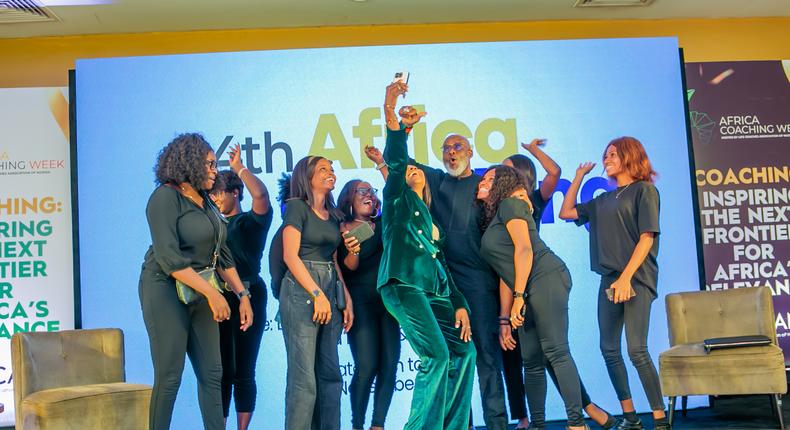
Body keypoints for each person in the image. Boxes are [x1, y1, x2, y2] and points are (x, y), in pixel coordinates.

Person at [402, 105, 507, 430]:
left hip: (479, 286)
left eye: (457, 146)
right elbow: (402, 163)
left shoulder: (484, 186)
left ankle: (498, 425)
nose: (451, 152)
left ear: (471, 151)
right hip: (443, 285)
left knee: (487, 360)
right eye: (446, 148)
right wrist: (404, 129)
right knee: (457, 360)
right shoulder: (436, 180)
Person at [378, 81, 475, 430]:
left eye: (417, 169)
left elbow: (443, 267)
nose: (413, 171)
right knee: (436, 355)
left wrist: (460, 303)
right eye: (407, 171)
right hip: (403, 285)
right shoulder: (397, 203)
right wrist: (393, 113)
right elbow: (397, 157)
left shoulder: (433, 224)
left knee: (465, 352)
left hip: (437, 292)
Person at [139, 132, 253, 430]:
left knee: (213, 372)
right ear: (190, 163)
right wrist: (213, 295)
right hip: (164, 287)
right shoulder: (164, 197)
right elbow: (169, 258)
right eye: (210, 164)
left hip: (201, 290)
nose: (216, 170)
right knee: (170, 375)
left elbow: (222, 255)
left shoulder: (205, 201)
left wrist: (242, 296)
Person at [500, 143, 615, 430]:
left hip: (535, 276)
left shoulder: (532, 200)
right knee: (535, 358)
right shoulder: (500, 206)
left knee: (553, 354)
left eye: (506, 168)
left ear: (521, 175)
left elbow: (554, 172)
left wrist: (530, 149)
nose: (499, 172)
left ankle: (580, 416)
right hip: (513, 280)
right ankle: (579, 411)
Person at [559, 136, 668, 430]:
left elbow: (647, 237)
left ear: (629, 156)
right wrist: (579, 177)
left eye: (612, 154)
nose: (606, 159)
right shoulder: (603, 199)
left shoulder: (645, 191)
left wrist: (626, 278)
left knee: (636, 350)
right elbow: (566, 212)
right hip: (609, 279)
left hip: (637, 278)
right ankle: (631, 418)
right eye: (605, 155)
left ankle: (659, 418)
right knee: (609, 349)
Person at [478, 165, 588, 430]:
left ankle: (576, 424)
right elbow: (506, 268)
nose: (481, 181)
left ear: (502, 184)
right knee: (531, 360)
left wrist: (518, 297)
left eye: (489, 178)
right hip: (526, 287)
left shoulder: (510, 205)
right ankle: (538, 425)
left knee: (557, 352)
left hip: (545, 278)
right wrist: (511, 308)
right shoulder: (499, 213)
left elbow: (525, 251)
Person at [280, 155, 354, 430]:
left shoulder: (334, 215)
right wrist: (316, 294)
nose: (330, 172)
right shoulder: (296, 207)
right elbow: (290, 255)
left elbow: (335, 261)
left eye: (332, 168)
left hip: (330, 287)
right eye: (323, 168)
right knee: (304, 380)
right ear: (306, 176)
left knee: (331, 375)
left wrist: (345, 297)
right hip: (303, 291)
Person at [209, 143, 273, 430]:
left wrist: (239, 168)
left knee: (244, 370)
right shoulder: (213, 226)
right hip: (220, 298)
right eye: (212, 194)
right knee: (222, 370)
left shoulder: (250, 222)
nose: (214, 198)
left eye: (218, 192)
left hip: (251, 295)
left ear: (234, 193)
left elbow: (261, 195)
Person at [336, 178, 400, 430]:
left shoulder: (383, 224)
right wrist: (352, 248)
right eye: (362, 191)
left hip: (388, 304)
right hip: (360, 304)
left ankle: (378, 425)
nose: (369, 195)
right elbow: (349, 267)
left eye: (371, 191)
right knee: (366, 366)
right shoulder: (340, 228)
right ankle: (357, 424)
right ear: (349, 198)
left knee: (390, 363)